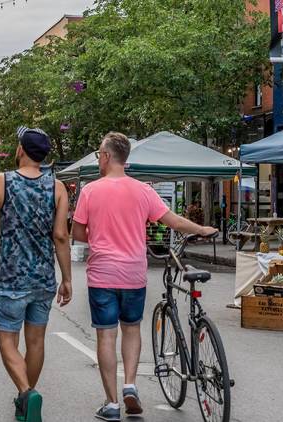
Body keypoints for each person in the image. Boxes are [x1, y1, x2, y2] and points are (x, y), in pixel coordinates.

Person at [71, 132, 217, 421]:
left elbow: (77, 234)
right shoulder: (144, 191)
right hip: (133, 274)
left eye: (100, 153)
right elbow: (172, 220)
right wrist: (201, 230)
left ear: (107, 156)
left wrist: (100, 235)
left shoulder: (90, 191)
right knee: (132, 329)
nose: (99, 157)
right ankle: (130, 386)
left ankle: (112, 404)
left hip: (102, 275)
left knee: (105, 335)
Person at [0, 127, 72, 422]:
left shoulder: (0, 182)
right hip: (44, 276)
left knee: (7, 339)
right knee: (36, 341)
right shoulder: (57, 187)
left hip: (11, 277)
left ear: (20, 150)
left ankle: (26, 393)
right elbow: (60, 236)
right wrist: (67, 278)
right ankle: (26, 399)